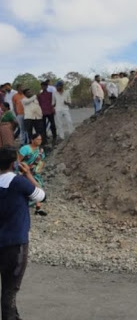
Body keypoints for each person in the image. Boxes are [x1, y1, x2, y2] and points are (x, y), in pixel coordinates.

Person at [0, 146, 46, 320]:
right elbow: (41, 196)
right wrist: (28, 175)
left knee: (7, 292)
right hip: (15, 243)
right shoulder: (19, 182)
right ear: (14, 163)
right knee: (9, 290)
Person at [18, 133, 48, 217]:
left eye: (40, 139)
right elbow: (17, 161)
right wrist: (24, 169)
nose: (39, 141)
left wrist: (38, 169)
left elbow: (41, 161)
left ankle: (38, 208)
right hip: (23, 171)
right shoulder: (25, 149)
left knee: (38, 186)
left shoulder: (40, 150)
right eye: (38, 139)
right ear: (32, 140)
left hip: (34, 173)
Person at [37, 82, 56, 146]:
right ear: (41, 87)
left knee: (53, 124)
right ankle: (44, 140)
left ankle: (54, 137)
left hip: (50, 111)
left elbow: (53, 102)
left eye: (45, 86)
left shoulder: (50, 94)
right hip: (43, 112)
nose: (44, 87)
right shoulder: (39, 95)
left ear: (47, 87)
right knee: (43, 127)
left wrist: (53, 108)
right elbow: (38, 104)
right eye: (42, 86)